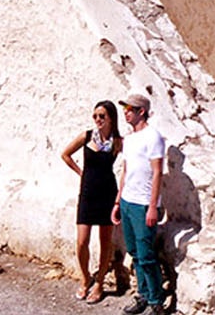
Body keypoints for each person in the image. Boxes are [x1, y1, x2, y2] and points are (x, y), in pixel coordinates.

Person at [61, 100, 125, 304]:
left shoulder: (118, 142)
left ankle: (99, 283)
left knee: (105, 241)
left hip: (107, 193)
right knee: (82, 241)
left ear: (111, 118)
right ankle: (85, 278)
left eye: (102, 116)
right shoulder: (87, 136)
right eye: (95, 115)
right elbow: (65, 154)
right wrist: (81, 173)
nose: (98, 119)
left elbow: (131, 163)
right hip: (88, 193)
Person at [111, 92, 166, 315]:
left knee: (146, 255)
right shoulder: (130, 139)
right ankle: (143, 295)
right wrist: (118, 202)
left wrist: (152, 207)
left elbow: (157, 172)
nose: (125, 113)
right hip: (127, 201)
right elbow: (125, 171)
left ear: (141, 111)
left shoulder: (153, 137)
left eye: (129, 109)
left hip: (143, 204)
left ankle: (156, 301)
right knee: (134, 252)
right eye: (125, 109)